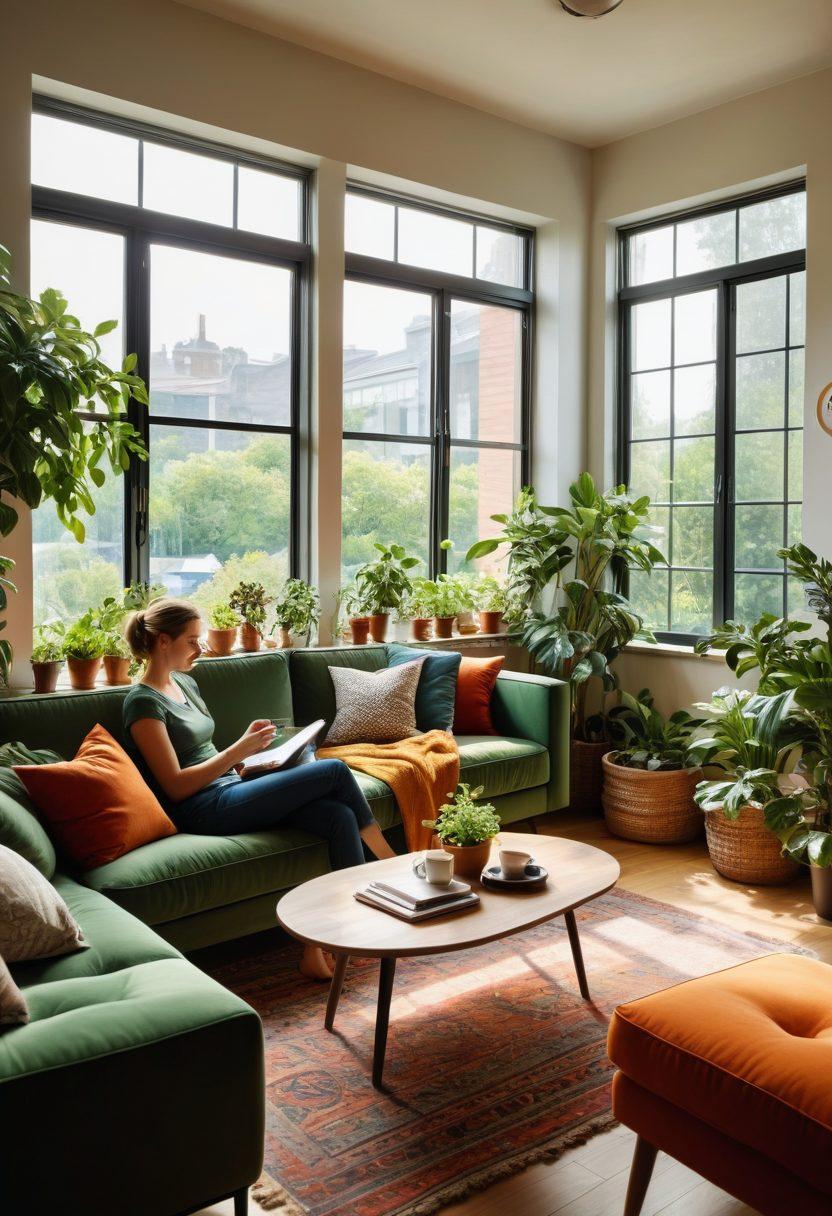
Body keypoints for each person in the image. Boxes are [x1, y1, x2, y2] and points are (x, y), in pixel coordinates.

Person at [122, 598, 395, 980]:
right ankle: (387, 866)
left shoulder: (185, 682)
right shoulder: (142, 703)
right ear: (163, 641)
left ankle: (325, 944)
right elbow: (176, 785)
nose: (200, 648)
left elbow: (205, 752)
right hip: (203, 808)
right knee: (332, 771)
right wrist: (239, 750)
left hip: (231, 785)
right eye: (191, 640)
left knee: (338, 816)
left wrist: (250, 758)